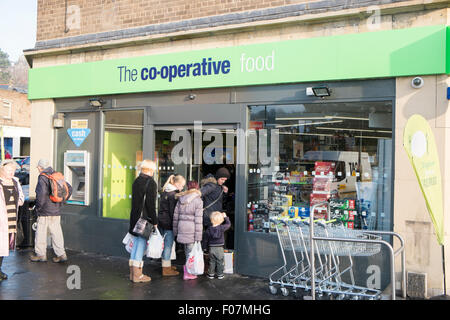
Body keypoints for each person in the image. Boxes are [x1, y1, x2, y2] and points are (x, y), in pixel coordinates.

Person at [30, 159, 71, 263]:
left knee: (41, 232)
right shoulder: (56, 175)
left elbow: (41, 195)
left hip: (44, 211)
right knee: (56, 232)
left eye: (38, 167)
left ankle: (41, 255)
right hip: (56, 210)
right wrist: (61, 201)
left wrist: (38, 208)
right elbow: (69, 188)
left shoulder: (43, 177)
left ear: (40, 167)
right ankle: (61, 254)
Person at [128, 159, 158, 283]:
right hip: (144, 219)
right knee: (140, 245)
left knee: (135, 244)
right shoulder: (150, 183)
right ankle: (138, 275)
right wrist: (155, 221)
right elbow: (150, 205)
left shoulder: (137, 181)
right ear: (151, 170)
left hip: (135, 217)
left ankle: (132, 273)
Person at [172, 180, 203, 280]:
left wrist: (175, 231)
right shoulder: (198, 201)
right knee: (191, 253)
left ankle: (188, 271)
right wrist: (198, 237)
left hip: (182, 227)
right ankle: (188, 272)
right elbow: (198, 221)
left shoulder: (181, 198)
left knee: (187, 251)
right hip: (191, 229)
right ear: (197, 188)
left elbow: (175, 217)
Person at [0, 161, 24, 281]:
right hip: (1, 219)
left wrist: (20, 201)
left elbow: (21, 196)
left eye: (13, 171)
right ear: (2, 171)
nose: (11, 173)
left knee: (4, 246)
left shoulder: (15, 181)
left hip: (11, 219)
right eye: (9, 170)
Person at [158, 174, 185, 277]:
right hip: (168, 223)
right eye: (181, 185)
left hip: (162, 221)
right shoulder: (173, 194)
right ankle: (166, 269)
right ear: (176, 183)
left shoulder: (166, 191)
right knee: (168, 245)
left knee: (166, 244)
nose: (182, 188)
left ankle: (167, 265)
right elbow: (173, 212)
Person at [203, 211, 231, 280]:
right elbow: (228, 224)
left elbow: (205, 240)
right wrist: (225, 217)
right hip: (219, 248)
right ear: (221, 220)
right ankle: (220, 275)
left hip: (211, 248)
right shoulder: (222, 228)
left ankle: (211, 274)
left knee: (212, 262)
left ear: (211, 220)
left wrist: (205, 248)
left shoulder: (208, 230)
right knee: (220, 261)